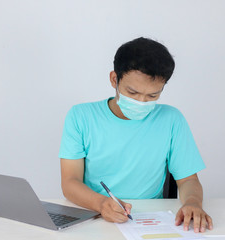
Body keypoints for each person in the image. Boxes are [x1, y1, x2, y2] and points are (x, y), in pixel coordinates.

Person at [59, 37, 213, 233]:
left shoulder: (171, 119)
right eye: (132, 92)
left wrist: (193, 203)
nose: (141, 102)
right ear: (114, 79)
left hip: (147, 218)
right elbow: (70, 182)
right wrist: (101, 204)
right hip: (92, 215)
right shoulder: (81, 116)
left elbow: (188, 180)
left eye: (152, 96)